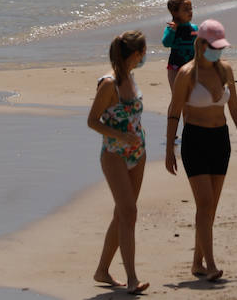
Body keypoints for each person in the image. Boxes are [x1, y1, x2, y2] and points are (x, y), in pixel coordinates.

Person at [165, 18, 237, 284]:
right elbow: (173, 113)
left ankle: (197, 262)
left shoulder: (225, 69)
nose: (219, 51)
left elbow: (235, 107)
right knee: (204, 203)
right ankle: (211, 264)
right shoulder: (186, 74)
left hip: (220, 140)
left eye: (220, 47)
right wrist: (170, 148)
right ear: (201, 44)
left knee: (210, 207)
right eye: (214, 46)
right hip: (195, 140)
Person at [86, 30, 149, 295]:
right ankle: (132, 278)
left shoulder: (132, 78)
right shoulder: (108, 84)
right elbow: (92, 121)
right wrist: (121, 135)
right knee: (129, 213)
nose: (145, 56)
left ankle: (102, 270)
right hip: (114, 155)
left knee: (122, 214)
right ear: (136, 55)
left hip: (138, 153)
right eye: (143, 52)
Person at [162, 0, 198, 87]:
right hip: (175, 67)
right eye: (186, 9)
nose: (190, 11)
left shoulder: (194, 28)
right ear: (175, 12)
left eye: (191, 8)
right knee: (177, 96)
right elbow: (166, 43)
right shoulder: (171, 29)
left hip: (192, 67)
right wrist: (173, 31)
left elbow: (199, 46)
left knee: (192, 95)